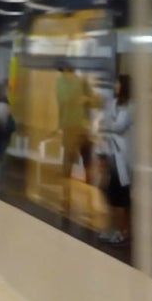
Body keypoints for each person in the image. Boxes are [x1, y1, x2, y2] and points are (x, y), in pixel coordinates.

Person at [55, 61, 98, 216]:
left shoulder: (82, 80)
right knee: (67, 166)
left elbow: (96, 102)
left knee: (88, 165)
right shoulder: (61, 82)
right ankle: (65, 200)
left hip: (84, 129)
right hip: (69, 128)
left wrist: (87, 99)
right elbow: (64, 101)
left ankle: (90, 204)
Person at [98, 74, 133, 245]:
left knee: (120, 196)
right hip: (112, 154)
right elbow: (106, 122)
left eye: (118, 83)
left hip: (123, 159)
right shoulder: (113, 103)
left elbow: (119, 125)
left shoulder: (131, 106)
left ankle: (122, 231)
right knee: (110, 193)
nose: (116, 85)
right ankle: (115, 228)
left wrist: (107, 125)